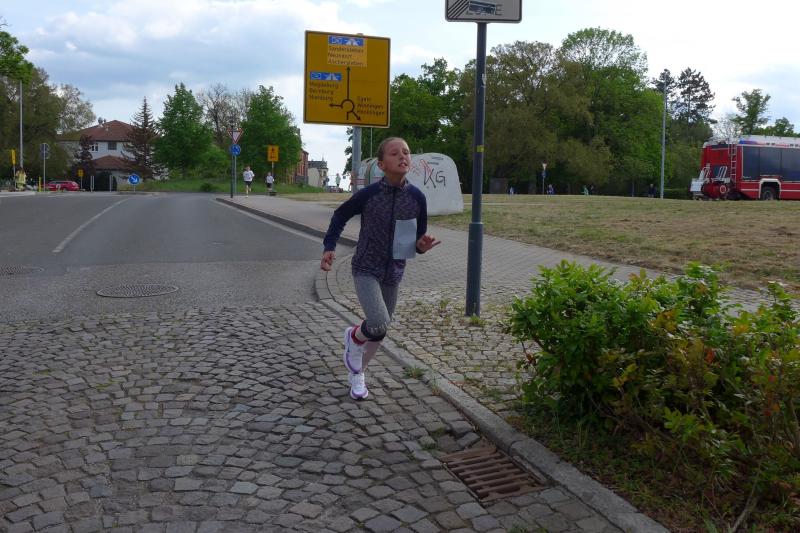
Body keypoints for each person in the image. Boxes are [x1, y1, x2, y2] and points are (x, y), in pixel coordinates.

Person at [320, 137, 441, 400]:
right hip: (366, 267)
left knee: (381, 329)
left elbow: (416, 240)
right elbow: (340, 215)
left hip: (394, 271)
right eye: (395, 153)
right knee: (377, 321)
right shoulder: (369, 194)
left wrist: (422, 246)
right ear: (382, 164)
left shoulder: (417, 198)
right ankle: (354, 337)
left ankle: (358, 373)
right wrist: (329, 245)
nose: (402, 156)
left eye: (406, 152)